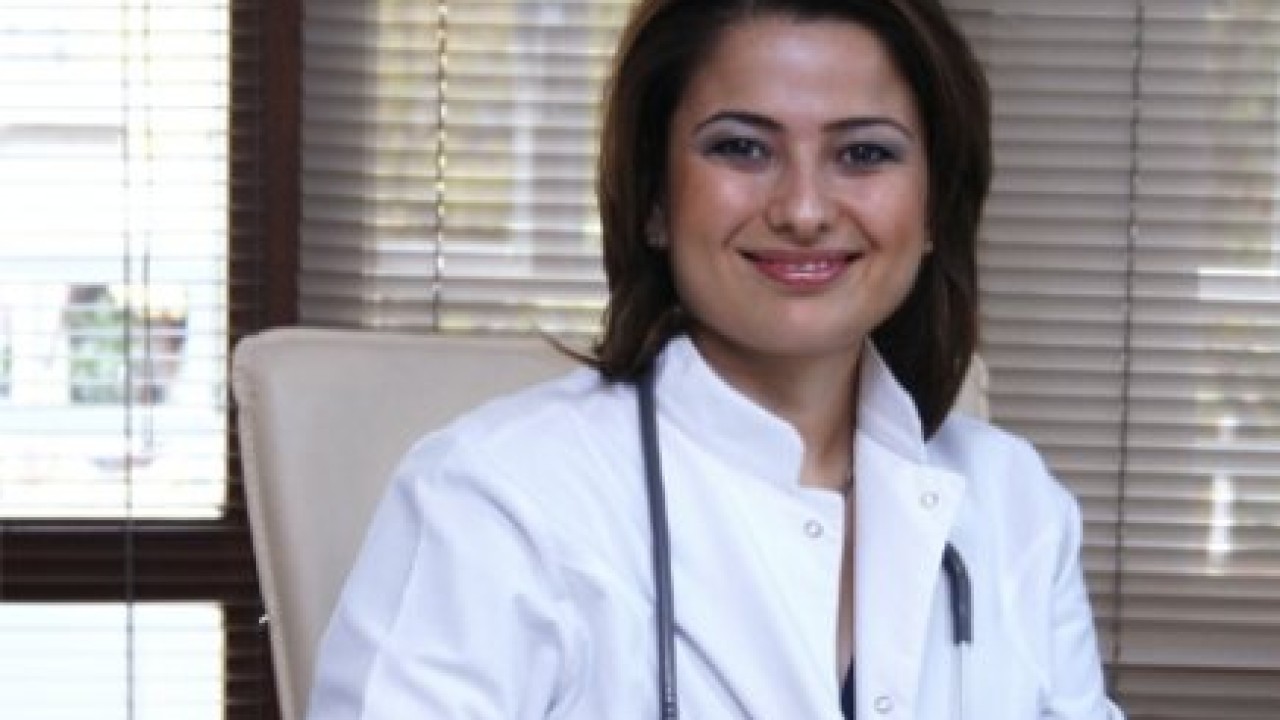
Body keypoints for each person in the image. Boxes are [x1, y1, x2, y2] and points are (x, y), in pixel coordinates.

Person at [307, 0, 1125, 718]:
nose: (803, 210)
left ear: (935, 205)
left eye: (864, 154)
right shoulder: (494, 499)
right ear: (656, 201)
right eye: (741, 148)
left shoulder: (1015, 505)